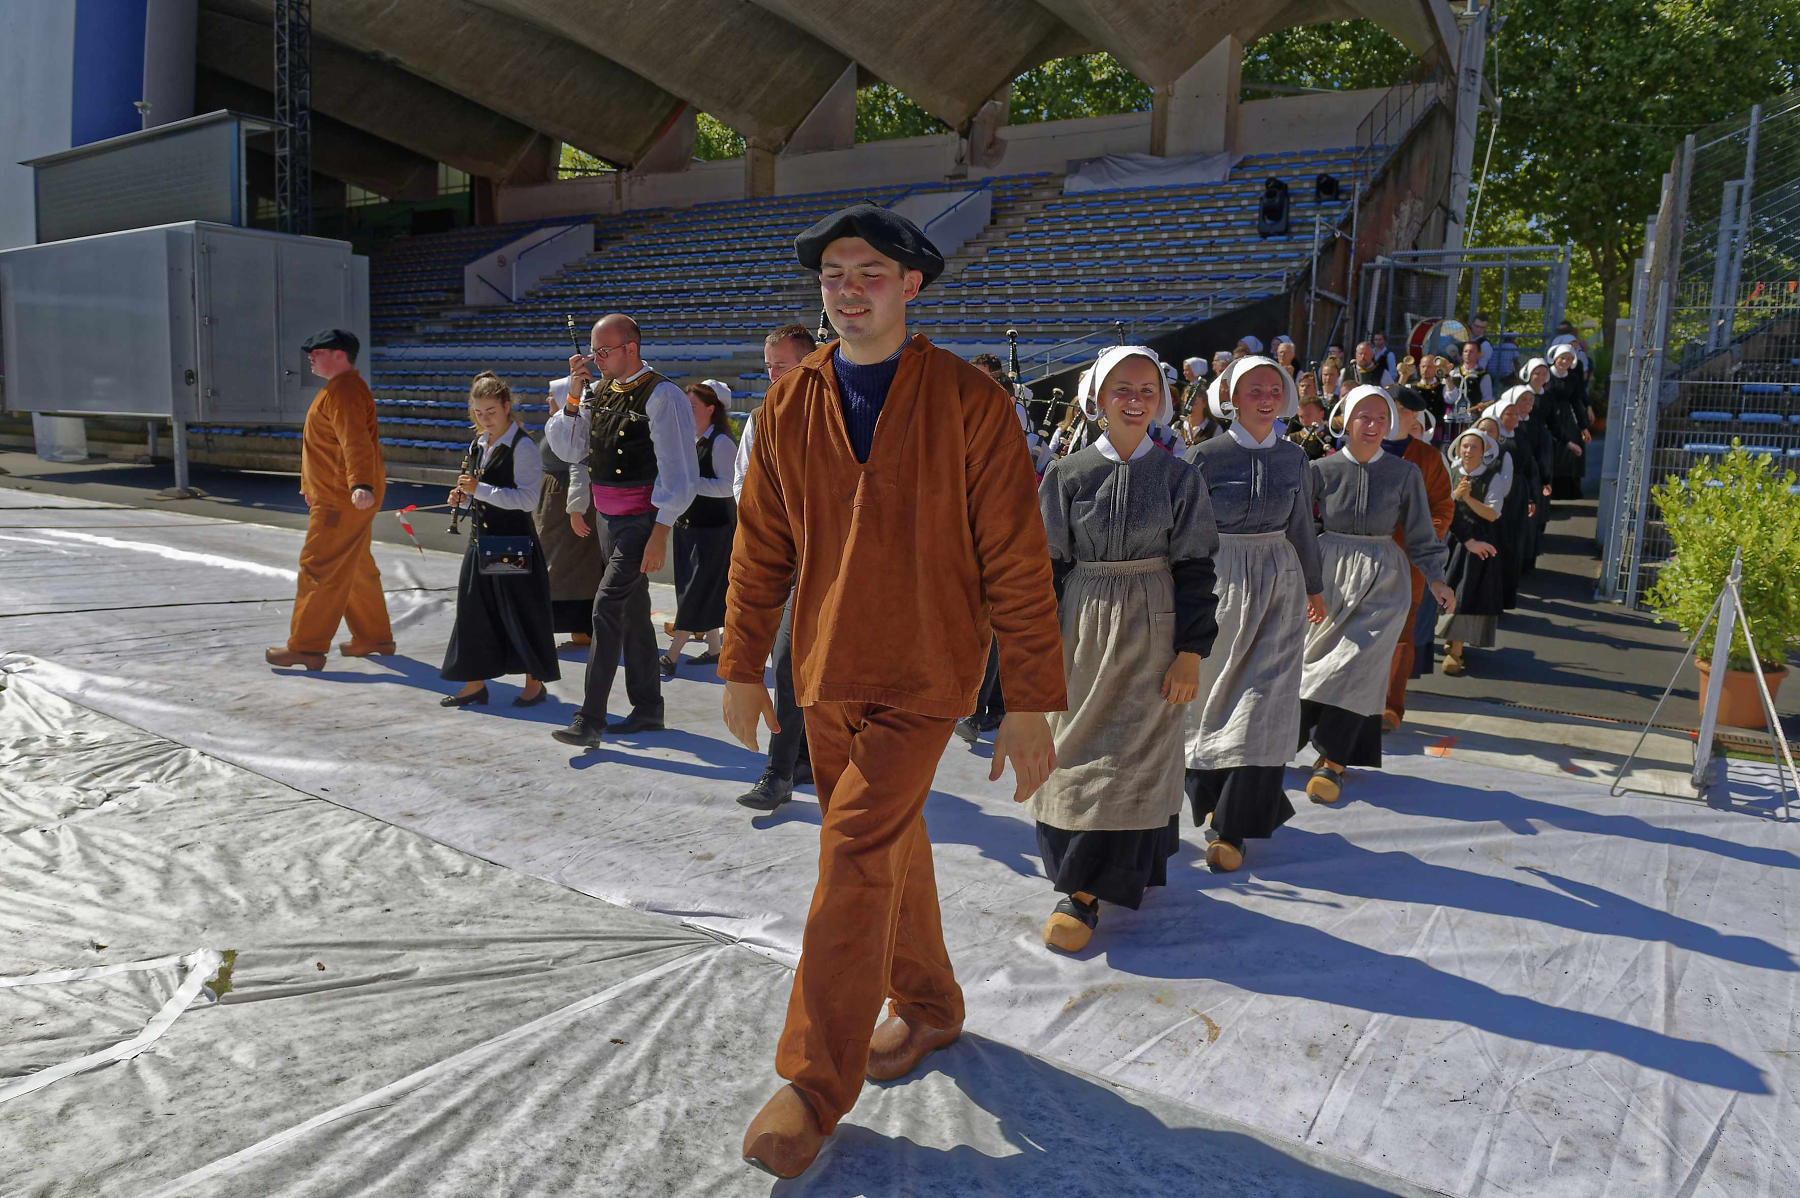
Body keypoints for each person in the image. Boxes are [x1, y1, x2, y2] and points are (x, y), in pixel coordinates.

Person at [721, 203, 1065, 1179]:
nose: (848, 287)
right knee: (889, 843)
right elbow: (762, 549)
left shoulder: (967, 400)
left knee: (853, 856)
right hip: (826, 668)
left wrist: (1032, 695)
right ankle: (927, 1004)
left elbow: (1016, 554)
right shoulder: (788, 405)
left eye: (869, 270)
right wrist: (744, 662)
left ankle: (813, 1083)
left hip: (924, 671)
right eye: (834, 273)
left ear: (911, 284)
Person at [1033, 345, 1219, 947]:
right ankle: (1078, 871)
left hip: (1154, 623)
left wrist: (1190, 650)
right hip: (1081, 627)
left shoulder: (1180, 477)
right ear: (1097, 399)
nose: (1135, 400)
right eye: (1122, 389)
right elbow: (1047, 566)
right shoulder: (1067, 476)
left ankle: (1084, 893)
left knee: (1140, 749)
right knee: (1075, 743)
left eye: (1147, 389)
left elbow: (1196, 566)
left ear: (1161, 399)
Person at [1185, 357, 1324, 872]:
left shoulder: (1295, 460)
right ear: (1232, 398)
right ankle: (1212, 798)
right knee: (1212, 696)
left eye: (1273, 388)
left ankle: (1233, 826)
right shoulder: (1202, 458)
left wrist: (1314, 587)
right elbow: (1185, 534)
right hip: (1219, 580)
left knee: (1265, 701)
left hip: (1279, 584)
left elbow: (1303, 529)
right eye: (1252, 389)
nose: (1265, 397)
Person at [544, 314, 699, 747]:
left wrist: (660, 531)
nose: (596, 359)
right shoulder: (599, 391)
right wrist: (575, 393)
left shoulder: (662, 394)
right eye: (594, 351)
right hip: (608, 520)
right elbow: (569, 447)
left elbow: (679, 470)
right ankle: (649, 708)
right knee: (632, 613)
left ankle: (590, 718)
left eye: (604, 351)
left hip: (639, 521)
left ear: (631, 348)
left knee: (606, 608)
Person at [1299, 386, 1454, 803]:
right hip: (1328, 574)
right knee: (1314, 665)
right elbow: (1294, 526)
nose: (1373, 425)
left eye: (1381, 418)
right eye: (1363, 417)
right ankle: (1285, 745)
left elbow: (1422, 534)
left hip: (1385, 577)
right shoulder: (1319, 469)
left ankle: (1332, 763)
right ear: (1345, 421)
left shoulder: (1406, 473)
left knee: (1359, 667)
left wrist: (1437, 578)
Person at [266, 329, 394, 671]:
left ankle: (306, 647)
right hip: (338, 492)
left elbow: (355, 440)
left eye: (317, 351)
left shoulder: (344, 391)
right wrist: (312, 486)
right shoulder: (340, 389)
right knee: (356, 565)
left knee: (318, 564)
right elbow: (329, 446)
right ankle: (374, 636)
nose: (310, 356)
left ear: (340, 354)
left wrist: (360, 484)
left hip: (342, 497)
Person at [439, 372, 560, 707]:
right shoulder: (479, 443)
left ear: (507, 407)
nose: (484, 418)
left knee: (519, 612)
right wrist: (462, 499)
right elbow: (481, 495)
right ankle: (474, 683)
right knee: (472, 612)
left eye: (490, 411)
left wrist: (481, 490)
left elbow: (525, 501)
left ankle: (534, 684)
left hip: (511, 542)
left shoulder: (523, 447)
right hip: (481, 540)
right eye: (478, 412)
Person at [734, 325, 818, 810]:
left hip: (836, 567)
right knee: (785, 664)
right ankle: (779, 770)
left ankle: (807, 759)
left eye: (780, 365)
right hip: (786, 563)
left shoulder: (838, 418)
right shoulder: (763, 418)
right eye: (768, 366)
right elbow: (743, 483)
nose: (772, 375)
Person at [1381, 387, 1455, 732]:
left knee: (1400, 633)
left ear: (1413, 416)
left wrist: (1422, 536)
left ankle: (1389, 708)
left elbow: (1442, 507)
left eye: (1397, 408)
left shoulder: (1428, 458)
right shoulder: (1361, 447)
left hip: (1406, 560)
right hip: (1356, 556)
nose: (1389, 414)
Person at [659, 380, 737, 675]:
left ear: (710, 409)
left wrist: (690, 484)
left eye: (691, 407)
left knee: (694, 593)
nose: (686, 412)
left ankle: (671, 656)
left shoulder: (721, 442)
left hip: (713, 530)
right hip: (690, 527)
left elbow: (728, 487)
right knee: (697, 590)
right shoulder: (689, 439)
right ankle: (715, 649)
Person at [534, 375, 602, 650]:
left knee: (569, 564)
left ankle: (579, 625)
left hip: (565, 504)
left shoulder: (573, 429)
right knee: (555, 560)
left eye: (552, 395)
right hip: (551, 503)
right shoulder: (558, 425)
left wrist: (575, 509)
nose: (547, 399)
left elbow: (578, 468)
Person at [1439, 428, 1509, 675]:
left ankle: (1455, 651)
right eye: (1465, 446)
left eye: (1474, 447)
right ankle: (1448, 639)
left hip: (1476, 542)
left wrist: (1467, 499)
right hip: (1448, 538)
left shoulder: (1493, 478)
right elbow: (1438, 504)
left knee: (1465, 593)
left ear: (1484, 451)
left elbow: (1493, 513)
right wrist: (1454, 496)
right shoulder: (1449, 472)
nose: (1468, 451)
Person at [1543, 343, 1591, 499]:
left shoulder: (1573, 378)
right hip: (1546, 416)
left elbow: (1576, 402)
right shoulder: (1545, 375)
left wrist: (1583, 427)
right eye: (1562, 358)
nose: (1565, 362)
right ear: (1555, 358)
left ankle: (1564, 491)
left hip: (1566, 418)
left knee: (1566, 454)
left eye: (1569, 359)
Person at [1448, 340, 1492, 434]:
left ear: (1479, 354)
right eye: (1465, 351)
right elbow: (1447, 397)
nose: (1468, 354)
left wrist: (1482, 405)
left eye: (1471, 352)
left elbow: (1487, 399)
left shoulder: (1483, 376)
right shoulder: (1452, 374)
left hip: (1472, 420)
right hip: (1453, 420)